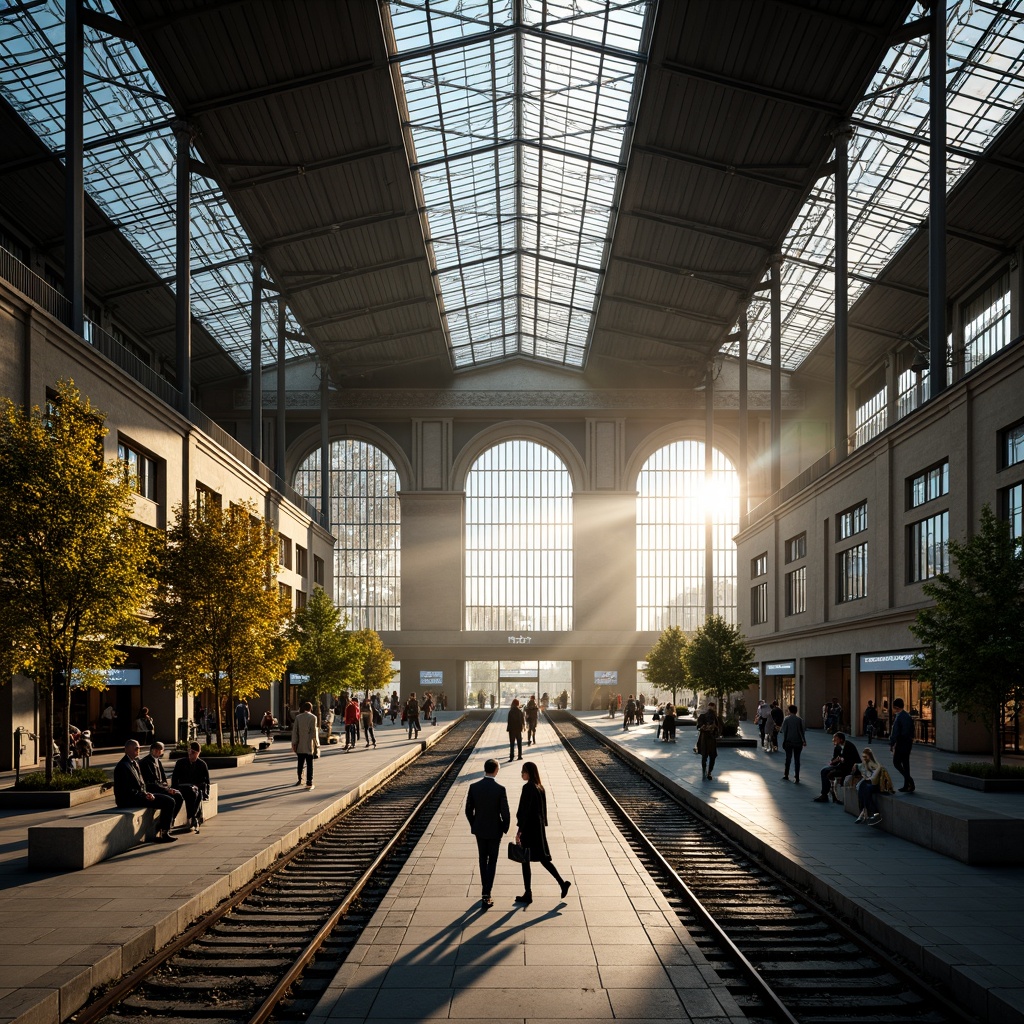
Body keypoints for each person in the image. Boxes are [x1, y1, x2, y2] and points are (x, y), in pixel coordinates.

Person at [513, 760, 571, 906]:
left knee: (525, 860)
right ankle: (562, 883)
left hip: (529, 829)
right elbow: (543, 811)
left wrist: (520, 830)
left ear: (529, 773)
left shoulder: (527, 788)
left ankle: (528, 893)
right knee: (543, 859)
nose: (522, 774)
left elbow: (523, 811)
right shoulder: (540, 787)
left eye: (523, 771)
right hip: (538, 829)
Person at [465, 757, 511, 909]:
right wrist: (504, 827)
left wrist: (474, 824)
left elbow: (468, 810)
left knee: (482, 859)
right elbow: (505, 812)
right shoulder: (500, 789)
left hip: (480, 830)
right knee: (492, 861)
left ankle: (485, 892)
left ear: (485, 769)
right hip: (495, 830)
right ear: (496, 770)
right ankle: (487, 893)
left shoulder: (474, 787)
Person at [113, 739, 177, 843]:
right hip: (129, 799)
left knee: (170, 799)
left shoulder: (135, 763)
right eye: (136, 748)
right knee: (168, 802)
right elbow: (126, 790)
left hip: (139, 796)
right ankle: (164, 832)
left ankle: (164, 829)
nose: (138, 750)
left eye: (139, 748)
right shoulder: (123, 766)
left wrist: (146, 793)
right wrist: (144, 795)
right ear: (127, 750)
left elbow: (141, 784)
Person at [139, 741, 185, 830]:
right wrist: (166, 790)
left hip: (161, 789)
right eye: (156, 750)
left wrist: (168, 788)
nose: (159, 752)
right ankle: (164, 826)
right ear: (152, 750)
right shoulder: (146, 762)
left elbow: (163, 780)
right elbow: (150, 783)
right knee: (171, 800)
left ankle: (171, 820)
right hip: (153, 791)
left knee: (179, 796)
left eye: (160, 750)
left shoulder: (157, 761)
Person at [171, 740, 211, 833]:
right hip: (182, 788)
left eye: (193, 752)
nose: (190, 754)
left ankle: (191, 818)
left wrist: (206, 793)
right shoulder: (180, 762)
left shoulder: (202, 764)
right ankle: (192, 818)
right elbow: (175, 778)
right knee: (189, 793)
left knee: (194, 794)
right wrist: (174, 788)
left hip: (195, 789)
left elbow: (206, 781)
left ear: (198, 753)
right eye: (189, 751)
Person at [814, 731, 859, 803]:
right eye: (833, 739)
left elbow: (850, 761)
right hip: (840, 766)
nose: (834, 740)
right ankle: (824, 794)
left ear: (841, 740)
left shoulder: (849, 746)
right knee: (824, 770)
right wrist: (834, 761)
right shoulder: (837, 747)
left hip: (849, 768)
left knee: (829, 774)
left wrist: (841, 760)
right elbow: (835, 759)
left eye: (836, 739)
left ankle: (829, 794)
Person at [291, 700, 320, 789]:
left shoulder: (298, 717)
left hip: (300, 744)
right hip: (309, 744)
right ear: (311, 708)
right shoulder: (313, 717)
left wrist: (294, 743)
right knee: (309, 764)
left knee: (300, 762)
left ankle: (300, 778)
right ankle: (309, 781)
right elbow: (314, 732)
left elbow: (295, 731)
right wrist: (317, 744)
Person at [889, 697, 915, 792]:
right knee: (905, 763)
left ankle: (909, 781)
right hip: (907, 743)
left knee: (896, 762)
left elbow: (896, 732)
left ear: (896, 707)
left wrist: (892, 743)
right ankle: (907, 784)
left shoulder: (900, 717)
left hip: (901, 743)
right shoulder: (906, 716)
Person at [854, 747, 885, 825]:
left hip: (875, 785)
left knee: (864, 788)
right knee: (862, 787)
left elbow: (873, 778)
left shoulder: (876, 765)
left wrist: (866, 776)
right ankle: (864, 812)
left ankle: (867, 812)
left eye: (865, 757)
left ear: (869, 756)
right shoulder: (865, 764)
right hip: (868, 784)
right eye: (863, 757)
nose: (863, 758)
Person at [779, 704, 806, 782]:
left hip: (789, 742)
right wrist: (804, 741)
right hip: (798, 742)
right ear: (796, 711)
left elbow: (783, 730)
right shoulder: (799, 720)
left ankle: (786, 774)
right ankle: (797, 776)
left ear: (789, 711)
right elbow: (802, 731)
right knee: (797, 759)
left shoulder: (787, 719)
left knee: (788, 758)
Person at [696, 702, 722, 780]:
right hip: (705, 739)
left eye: (712, 707)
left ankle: (709, 772)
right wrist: (705, 727)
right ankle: (706, 771)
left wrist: (715, 728)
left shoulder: (715, 718)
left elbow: (719, 728)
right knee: (705, 756)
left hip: (711, 739)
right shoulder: (703, 716)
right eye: (710, 707)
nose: (711, 709)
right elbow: (699, 726)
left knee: (711, 756)